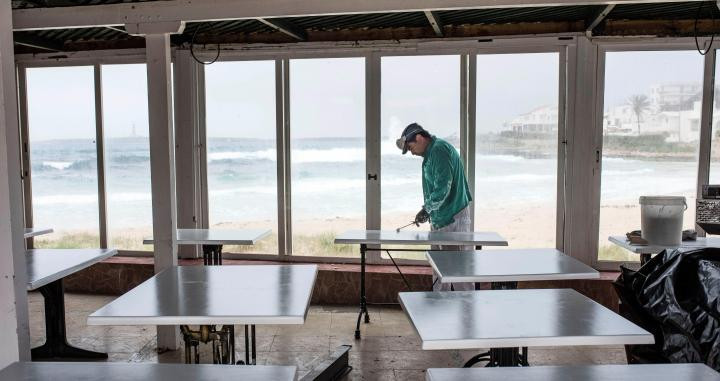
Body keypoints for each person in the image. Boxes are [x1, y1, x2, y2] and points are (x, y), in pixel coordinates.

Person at [396, 122, 474, 291]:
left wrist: (426, 209)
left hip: (454, 217)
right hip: (440, 218)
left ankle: (467, 312)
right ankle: (441, 312)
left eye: (410, 147)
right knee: (440, 272)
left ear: (418, 138)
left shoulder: (439, 150)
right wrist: (428, 212)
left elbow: (442, 187)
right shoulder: (429, 155)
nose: (411, 152)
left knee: (459, 272)